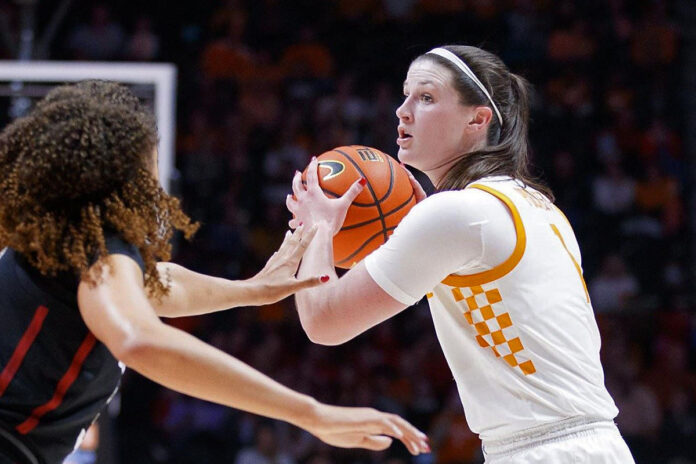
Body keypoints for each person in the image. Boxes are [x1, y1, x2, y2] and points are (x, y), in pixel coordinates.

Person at [0, 81, 429, 464]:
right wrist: (310, 413)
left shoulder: (57, 240)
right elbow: (140, 339)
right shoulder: (99, 254)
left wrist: (250, 289)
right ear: (124, 175)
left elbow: (156, 284)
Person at [287, 45, 635, 463]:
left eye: (426, 97)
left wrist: (317, 226)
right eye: (405, 94)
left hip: (546, 451)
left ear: (477, 118)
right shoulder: (536, 205)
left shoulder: (456, 214)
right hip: (589, 444)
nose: (402, 110)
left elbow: (324, 322)